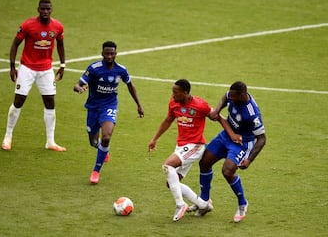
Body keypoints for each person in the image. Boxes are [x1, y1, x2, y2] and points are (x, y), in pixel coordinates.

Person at [148, 79, 242, 222]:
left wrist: (231, 134)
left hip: (195, 146)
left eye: (176, 92)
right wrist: (155, 139)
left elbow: (216, 116)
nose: (173, 95)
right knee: (171, 183)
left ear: (185, 93)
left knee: (167, 166)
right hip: (181, 147)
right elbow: (168, 120)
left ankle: (180, 204)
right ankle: (203, 205)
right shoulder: (174, 103)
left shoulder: (200, 105)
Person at [194, 81, 266, 223]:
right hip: (225, 136)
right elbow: (225, 97)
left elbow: (262, 139)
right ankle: (204, 201)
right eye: (231, 95)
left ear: (242, 95)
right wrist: (218, 110)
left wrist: (250, 159)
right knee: (204, 162)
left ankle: (242, 203)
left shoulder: (252, 114)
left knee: (227, 171)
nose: (230, 98)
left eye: (233, 97)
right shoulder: (233, 95)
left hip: (242, 142)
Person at [74, 41, 144, 184]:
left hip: (109, 106)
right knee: (94, 142)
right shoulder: (94, 68)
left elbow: (130, 85)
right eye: (107, 53)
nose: (110, 56)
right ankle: (102, 149)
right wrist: (79, 89)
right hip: (93, 107)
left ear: (116, 54)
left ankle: (96, 171)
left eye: (112, 53)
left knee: (106, 136)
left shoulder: (121, 70)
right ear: (102, 54)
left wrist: (139, 105)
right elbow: (77, 84)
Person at [1, 0, 66, 152]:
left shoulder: (57, 26)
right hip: (27, 68)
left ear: (51, 10)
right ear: (38, 9)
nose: (45, 12)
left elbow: (61, 45)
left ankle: (50, 141)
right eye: (42, 9)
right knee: (19, 101)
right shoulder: (28, 25)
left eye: (48, 9)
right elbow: (15, 45)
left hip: (46, 70)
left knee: (50, 102)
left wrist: (62, 65)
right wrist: (12, 67)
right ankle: (8, 137)